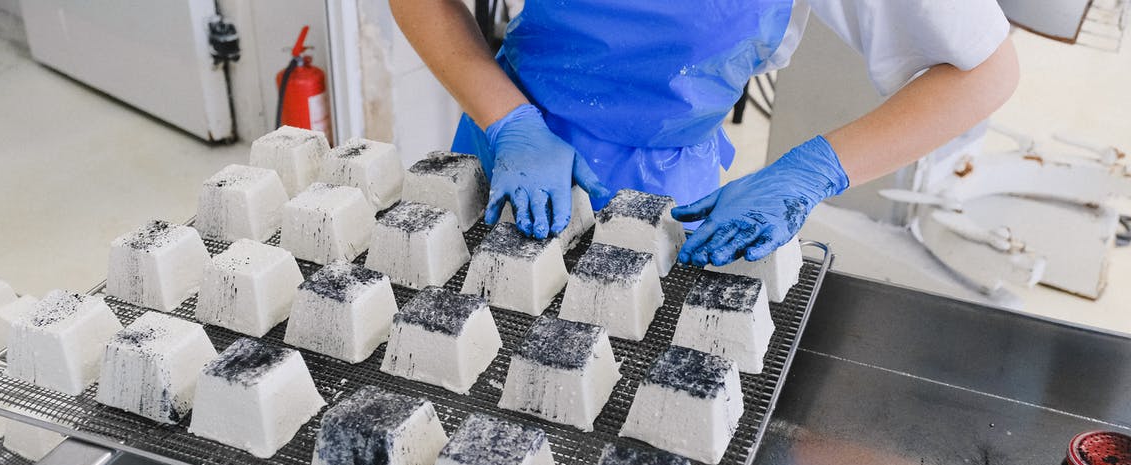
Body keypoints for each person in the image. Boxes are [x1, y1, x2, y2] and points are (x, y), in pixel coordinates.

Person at [390, 1, 1019, 266]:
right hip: (506, 148)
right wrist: (511, 121)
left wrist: (812, 170)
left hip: (666, 190)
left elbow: (985, 71)